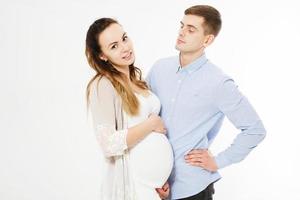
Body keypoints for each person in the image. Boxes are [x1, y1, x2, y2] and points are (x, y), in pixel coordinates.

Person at [147, 5, 267, 200]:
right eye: (182, 25)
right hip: (155, 183)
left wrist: (218, 161)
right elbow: (143, 113)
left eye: (191, 29)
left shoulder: (219, 83)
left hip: (192, 188)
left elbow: (255, 129)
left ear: (207, 40)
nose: (181, 32)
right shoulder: (159, 68)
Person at [85, 18, 174, 200]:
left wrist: (159, 180)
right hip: (133, 186)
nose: (125, 48)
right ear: (102, 56)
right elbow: (108, 144)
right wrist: (151, 124)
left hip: (152, 190)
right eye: (114, 46)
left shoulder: (137, 81)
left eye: (124, 38)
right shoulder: (103, 85)